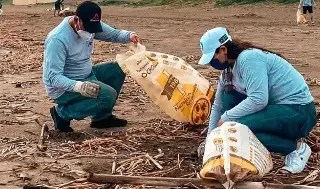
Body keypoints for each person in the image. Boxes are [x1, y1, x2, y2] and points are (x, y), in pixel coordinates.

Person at [198, 27, 316, 174]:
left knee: (241, 128)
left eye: (212, 58)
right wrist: (210, 140)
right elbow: (218, 106)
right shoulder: (227, 73)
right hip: (277, 112)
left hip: (299, 112)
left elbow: (259, 99)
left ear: (223, 50)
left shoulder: (249, 59)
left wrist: (227, 119)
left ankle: (297, 150)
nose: (211, 64)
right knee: (228, 99)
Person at [43, 1, 142, 132]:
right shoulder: (58, 39)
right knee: (108, 95)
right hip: (63, 88)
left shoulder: (91, 24)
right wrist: (79, 86)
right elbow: (53, 77)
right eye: (88, 28)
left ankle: (102, 118)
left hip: (87, 74)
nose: (91, 33)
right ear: (76, 19)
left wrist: (130, 36)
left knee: (119, 68)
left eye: (93, 29)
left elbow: (113, 34)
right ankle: (62, 114)